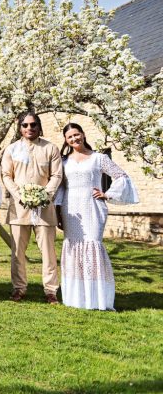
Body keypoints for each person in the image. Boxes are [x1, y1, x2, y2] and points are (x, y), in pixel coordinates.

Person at [56, 123, 139, 310]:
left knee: (92, 245)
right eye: (70, 137)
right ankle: (76, 297)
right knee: (74, 247)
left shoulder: (99, 158)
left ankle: (97, 297)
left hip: (92, 207)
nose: (74, 139)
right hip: (71, 210)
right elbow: (61, 188)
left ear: (83, 134)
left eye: (77, 134)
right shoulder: (64, 162)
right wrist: (58, 212)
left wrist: (107, 194)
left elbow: (122, 176)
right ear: (66, 140)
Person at [1, 111, 63, 304]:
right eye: (25, 125)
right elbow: (6, 175)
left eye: (33, 125)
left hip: (44, 208)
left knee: (48, 252)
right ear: (20, 128)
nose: (29, 128)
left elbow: (57, 176)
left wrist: (45, 195)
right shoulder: (11, 149)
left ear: (39, 126)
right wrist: (20, 196)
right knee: (18, 251)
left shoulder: (50, 148)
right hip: (19, 208)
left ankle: (51, 290)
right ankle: (19, 288)